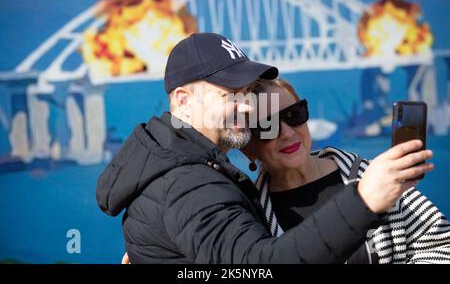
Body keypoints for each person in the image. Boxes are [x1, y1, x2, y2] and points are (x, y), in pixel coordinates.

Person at [96, 32, 431, 263]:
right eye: (230, 95)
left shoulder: (191, 169)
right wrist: (364, 201)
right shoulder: (189, 183)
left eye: (295, 115)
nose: (245, 108)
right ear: (183, 102)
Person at [243, 78, 450, 264]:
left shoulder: (370, 176)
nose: (287, 133)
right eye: (267, 126)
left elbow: (440, 244)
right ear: (248, 147)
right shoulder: (250, 217)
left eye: (294, 115)